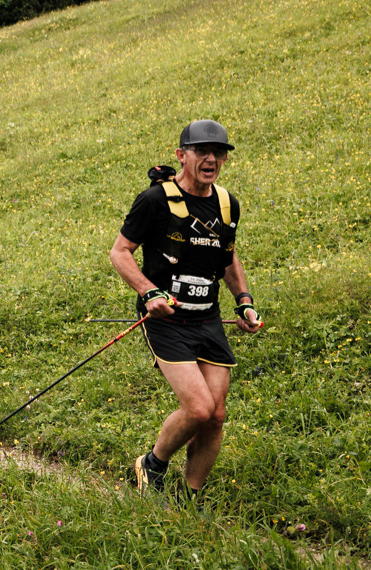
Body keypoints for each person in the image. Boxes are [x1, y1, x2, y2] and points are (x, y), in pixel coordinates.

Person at [109, 119, 264, 503]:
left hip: (208, 318)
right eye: (201, 151)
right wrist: (148, 292)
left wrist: (243, 301)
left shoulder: (227, 204)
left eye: (219, 152)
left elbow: (228, 260)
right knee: (197, 408)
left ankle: (189, 499)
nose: (211, 159)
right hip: (167, 321)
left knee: (216, 415)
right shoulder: (155, 201)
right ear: (182, 155)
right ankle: (153, 463)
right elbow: (120, 252)